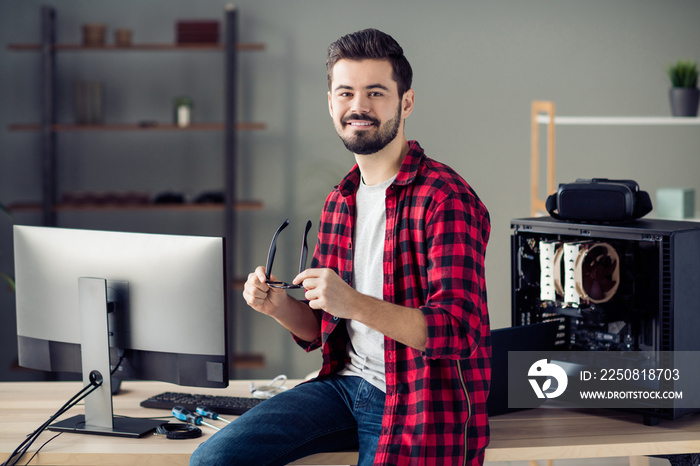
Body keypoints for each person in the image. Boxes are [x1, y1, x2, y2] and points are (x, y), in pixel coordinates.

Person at [190, 28, 491, 466]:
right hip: (346, 387)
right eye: (346, 92)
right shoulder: (341, 199)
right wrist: (277, 306)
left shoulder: (444, 198)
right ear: (331, 103)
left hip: (419, 401)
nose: (359, 107)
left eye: (375, 93)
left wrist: (353, 302)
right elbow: (321, 327)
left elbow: (459, 330)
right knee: (212, 460)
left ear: (405, 102)